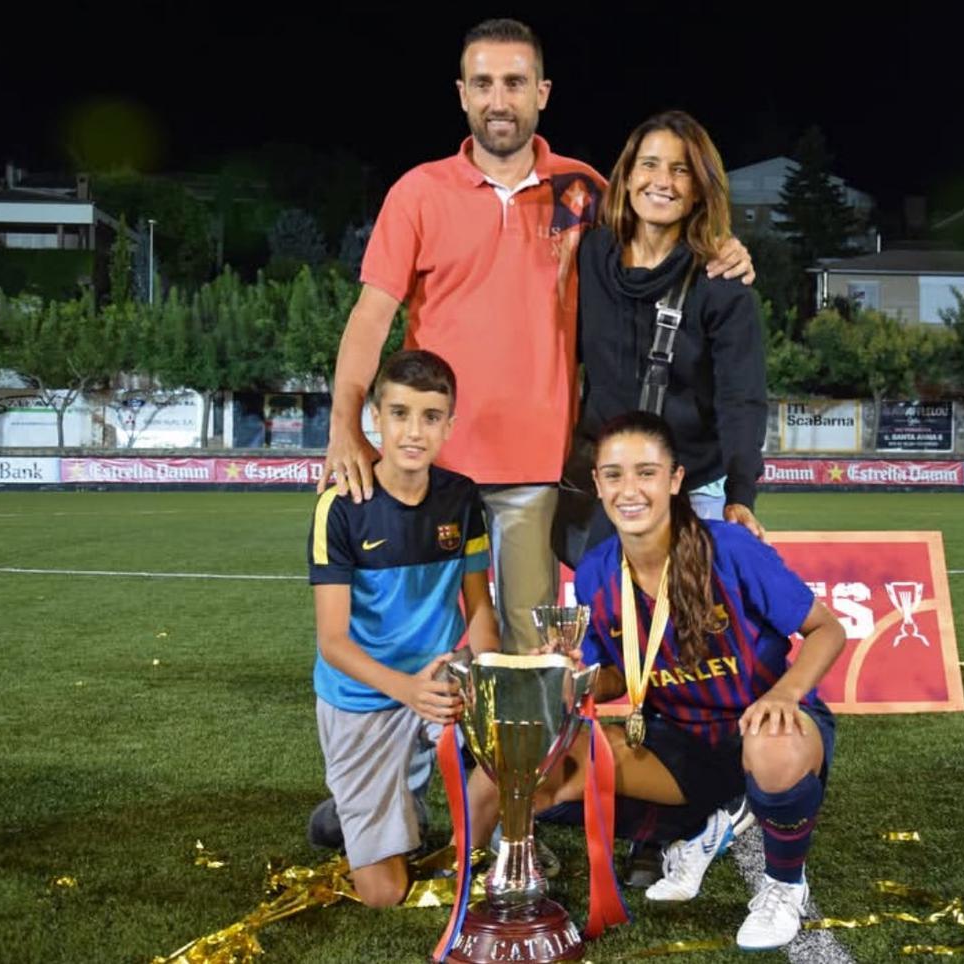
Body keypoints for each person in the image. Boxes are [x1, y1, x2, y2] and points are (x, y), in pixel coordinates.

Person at [318, 19, 753, 655]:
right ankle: (427, 756)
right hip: (430, 462)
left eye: (515, 82)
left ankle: (518, 759)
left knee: (531, 649)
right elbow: (370, 317)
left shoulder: (584, 193)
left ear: (542, 92)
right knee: (426, 638)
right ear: (462, 93)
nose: (500, 99)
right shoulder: (417, 193)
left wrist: (725, 249)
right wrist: (343, 426)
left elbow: (660, 230)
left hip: (536, 468)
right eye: (484, 83)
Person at [536, 411, 845, 950]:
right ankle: (701, 826)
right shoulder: (595, 571)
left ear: (675, 480)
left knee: (772, 747)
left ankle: (784, 887)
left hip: (763, 720)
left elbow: (827, 630)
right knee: (553, 776)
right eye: (613, 474)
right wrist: (572, 678)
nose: (629, 490)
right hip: (677, 740)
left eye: (646, 473)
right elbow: (614, 678)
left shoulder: (729, 548)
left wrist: (785, 694)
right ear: (597, 485)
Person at [307, 349, 498, 908]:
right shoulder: (340, 507)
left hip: (437, 688)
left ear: (449, 424)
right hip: (364, 697)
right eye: (400, 414)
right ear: (375, 417)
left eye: (431, 417)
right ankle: (351, 811)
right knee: (384, 895)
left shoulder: (462, 498)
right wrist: (408, 690)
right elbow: (333, 643)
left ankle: (429, 815)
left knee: (511, 751)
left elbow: (479, 608)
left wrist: (481, 680)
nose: (414, 432)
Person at [576, 110, 768, 545]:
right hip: (606, 489)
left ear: (699, 190)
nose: (662, 180)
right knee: (609, 611)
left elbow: (742, 400)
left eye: (680, 170)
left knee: (691, 612)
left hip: (694, 487)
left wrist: (740, 496)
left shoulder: (723, 284)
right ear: (625, 177)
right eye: (649, 164)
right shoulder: (588, 256)